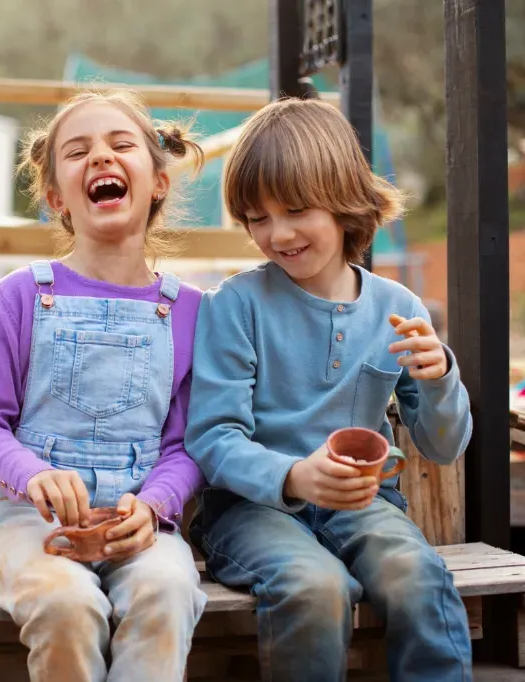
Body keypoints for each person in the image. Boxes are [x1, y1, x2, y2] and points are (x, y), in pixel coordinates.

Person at [184, 97, 475, 681]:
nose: (278, 233)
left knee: (415, 574)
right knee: (315, 587)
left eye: (295, 209)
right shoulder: (235, 306)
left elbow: (443, 447)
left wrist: (439, 377)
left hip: (363, 505)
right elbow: (214, 437)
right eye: (256, 217)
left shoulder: (398, 309)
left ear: (345, 200)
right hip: (250, 510)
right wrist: (293, 476)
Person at [0, 89, 209, 682]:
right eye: (78, 152)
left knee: (168, 591)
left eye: (121, 146)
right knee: (68, 604)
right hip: (28, 520)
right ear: (54, 198)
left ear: (158, 182)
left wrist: (155, 505)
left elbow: (186, 446)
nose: (101, 158)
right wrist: (32, 474)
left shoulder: (192, 311)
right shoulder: (21, 295)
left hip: (138, 520)